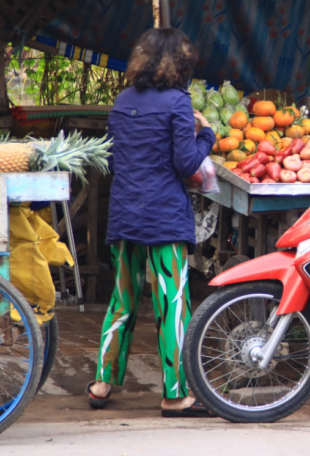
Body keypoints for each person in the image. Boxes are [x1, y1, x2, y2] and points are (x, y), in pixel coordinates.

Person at [86, 28, 217, 417]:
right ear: (179, 64)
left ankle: (101, 383)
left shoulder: (122, 100)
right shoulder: (178, 102)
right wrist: (206, 134)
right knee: (172, 303)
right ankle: (175, 394)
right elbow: (186, 163)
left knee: (122, 299)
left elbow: (114, 157)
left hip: (126, 212)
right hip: (163, 216)